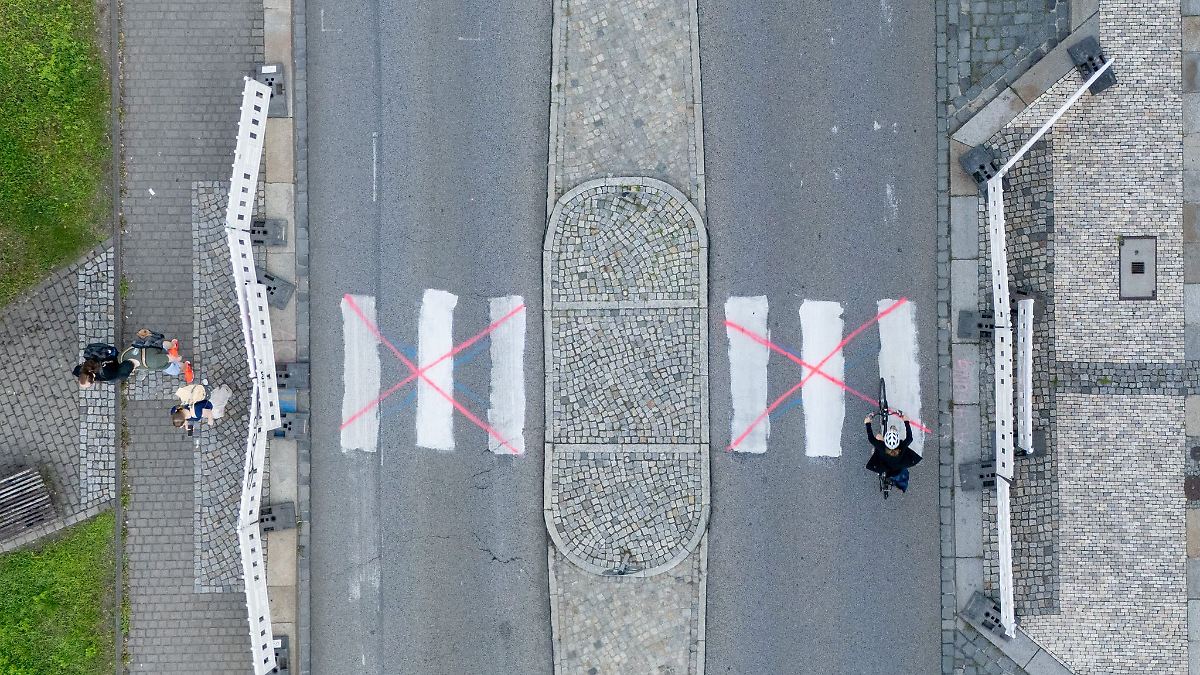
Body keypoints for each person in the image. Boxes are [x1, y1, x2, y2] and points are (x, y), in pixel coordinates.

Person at [865, 411, 921, 492]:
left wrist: (868, 423)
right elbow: (909, 438)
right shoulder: (901, 447)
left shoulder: (882, 447)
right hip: (898, 466)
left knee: (878, 436)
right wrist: (906, 421)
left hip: (885, 465)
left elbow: (871, 438)